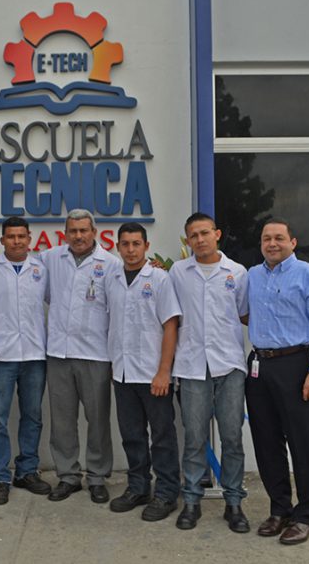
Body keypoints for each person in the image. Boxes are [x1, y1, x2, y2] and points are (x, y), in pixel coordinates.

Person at [246, 218, 309, 545]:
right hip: (259, 366)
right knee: (266, 443)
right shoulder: (252, 275)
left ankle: (306, 515)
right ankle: (280, 509)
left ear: (292, 242)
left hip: (297, 365)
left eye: (279, 238)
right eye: (266, 238)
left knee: (301, 443)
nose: (272, 244)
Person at [169, 213, 249, 532]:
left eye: (205, 233)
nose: (200, 239)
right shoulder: (178, 272)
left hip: (229, 365)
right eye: (193, 235)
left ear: (217, 234)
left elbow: (244, 314)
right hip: (192, 366)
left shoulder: (237, 273)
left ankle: (234, 502)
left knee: (232, 437)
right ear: (187, 240)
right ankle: (191, 501)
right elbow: (171, 316)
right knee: (194, 437)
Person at [41, 209, 121, 503]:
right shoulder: (50, 258)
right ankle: (68, 476)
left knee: (97, 420)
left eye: (83, 230)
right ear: (65, 233)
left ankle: (97, 477)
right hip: (59, 352)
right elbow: (33, 283)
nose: (78, 236)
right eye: (72, 231)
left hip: (95, 353)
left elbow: (116, 306)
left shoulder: (111, 264)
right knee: (62, 420)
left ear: (94, 232)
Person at [105, 223, 182, 521]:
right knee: (132, 435)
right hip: (123, 373)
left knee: (162, 436)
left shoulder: (160, 279)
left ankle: (166, 492)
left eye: (136, 243)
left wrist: (164, 372)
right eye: (125, 244)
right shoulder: (112, 279)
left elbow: (170, 326)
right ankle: (138, 487)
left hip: (153, 374)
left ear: (146, 246)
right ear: (117, 247)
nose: (131, 249)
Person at [0, 217, 51, 505]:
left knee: (32, 416)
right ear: (2, 240)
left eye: (22, 236)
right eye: (11, 236)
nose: (17, 241)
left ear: (29, 238)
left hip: (34, 354)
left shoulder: (41, 270)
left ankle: (27, 471)